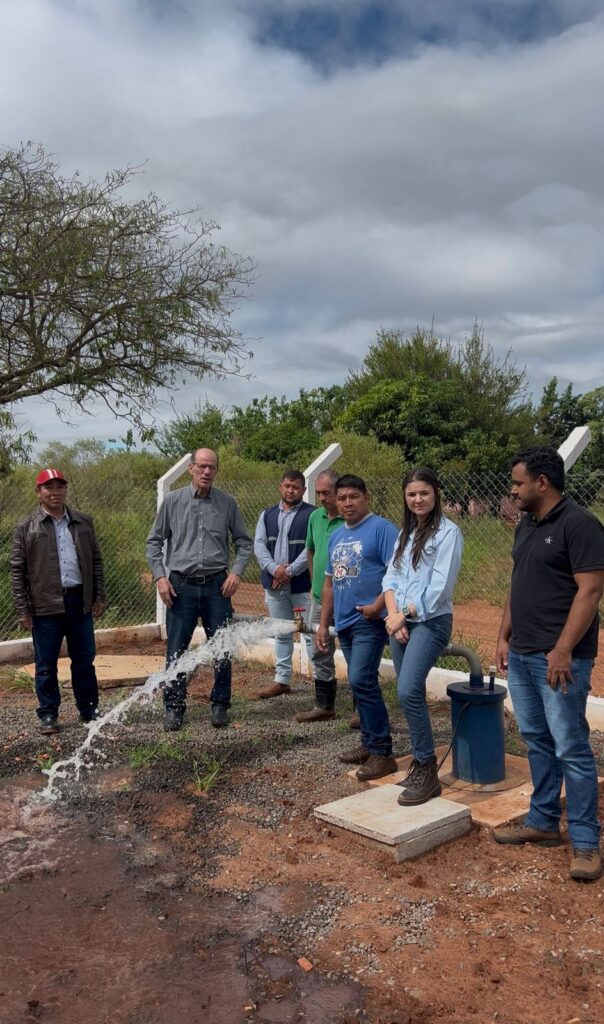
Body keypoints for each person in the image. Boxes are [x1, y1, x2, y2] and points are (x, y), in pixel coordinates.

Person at [493, 446, 604, 882]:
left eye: (518, 483)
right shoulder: (527, 524)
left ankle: (586, 842)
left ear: (543, 482)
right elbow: (516, 582)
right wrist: (504, 635)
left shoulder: (580, 525)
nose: (513, 490)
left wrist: (561, 650)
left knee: (571, 747)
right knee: (536, 739)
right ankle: (542, 822)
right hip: (521, 654)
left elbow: (590, 592)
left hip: (559, 660)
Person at [146, 448, 252, 730]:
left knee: (222, 647)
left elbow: (244, 542)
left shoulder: (227, 504)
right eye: (202, 466)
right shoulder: (172, 502)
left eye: (212, 467)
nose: (206, 472)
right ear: (191, 468)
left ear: (216, 471)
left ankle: (220, 704)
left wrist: (237, 573)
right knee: (177, 649)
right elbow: (154, 542)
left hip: (218, 587)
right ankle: (174, 706)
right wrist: (160, 577)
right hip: (181, 587)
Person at [382, 467, 464, 805]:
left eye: (424, 493)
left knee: (408, 688)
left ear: (436, 494)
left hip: (431, 621)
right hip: (399, 622)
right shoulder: (406, 533)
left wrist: (405, 614)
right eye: (412, 494)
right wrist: (393, 617)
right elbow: (391, 578)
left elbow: (439, 588)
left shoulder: (448, 533)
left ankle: (428, 771)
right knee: (406, 694)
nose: (418, 499)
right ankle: (420, 763)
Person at [10, 468, 106, 735]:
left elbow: (96, 561)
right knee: (46, 663)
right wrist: (23, 609)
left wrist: (98, 596)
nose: (55, 492)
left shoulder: (83, 523)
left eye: (59, 487)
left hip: (79, 601)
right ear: (38, 492)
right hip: (45, 605)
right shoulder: (27, 527)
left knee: (84, 659)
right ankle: (49, 714)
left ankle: (89, 709)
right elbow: (17, 570)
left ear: (66, 490)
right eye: (48, 487)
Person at [317, 474, 399, 780]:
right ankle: (368, 743)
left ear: (366, 497)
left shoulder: (382, 529)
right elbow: (329, 583)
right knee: (359, 682)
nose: (347, 503)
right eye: (342, 498)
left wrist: (379, 605)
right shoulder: (337, 535)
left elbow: (399, 574)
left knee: (362, 679)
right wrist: (324, 625)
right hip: (345, 623)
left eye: (353, 497)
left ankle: (382, 752)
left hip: (370, 621)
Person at [254, 469, 314, 698]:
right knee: (281, 632)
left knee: (311, 633)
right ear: (281, 486)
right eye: (287, 486)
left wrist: (288, 571)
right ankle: (282, 680)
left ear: (303, 490)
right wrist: (274, 570)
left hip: (303, 586)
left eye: (296, 487)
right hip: (275, 585)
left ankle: (321, 682)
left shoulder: (312, 515)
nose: (291, 490)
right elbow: (259, 546)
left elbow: (311, 548)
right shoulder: (266, 515)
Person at [295, 469, 345, 723]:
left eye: (327, 493)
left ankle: (362, 709)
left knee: (352, 649)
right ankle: (324, 705)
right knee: (319, 648)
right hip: (318, 598)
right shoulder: (315, 517)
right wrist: (317, 586)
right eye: (319, 493)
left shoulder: (349, 519)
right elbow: (311, 551)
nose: (322, 498)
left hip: (347, 599)